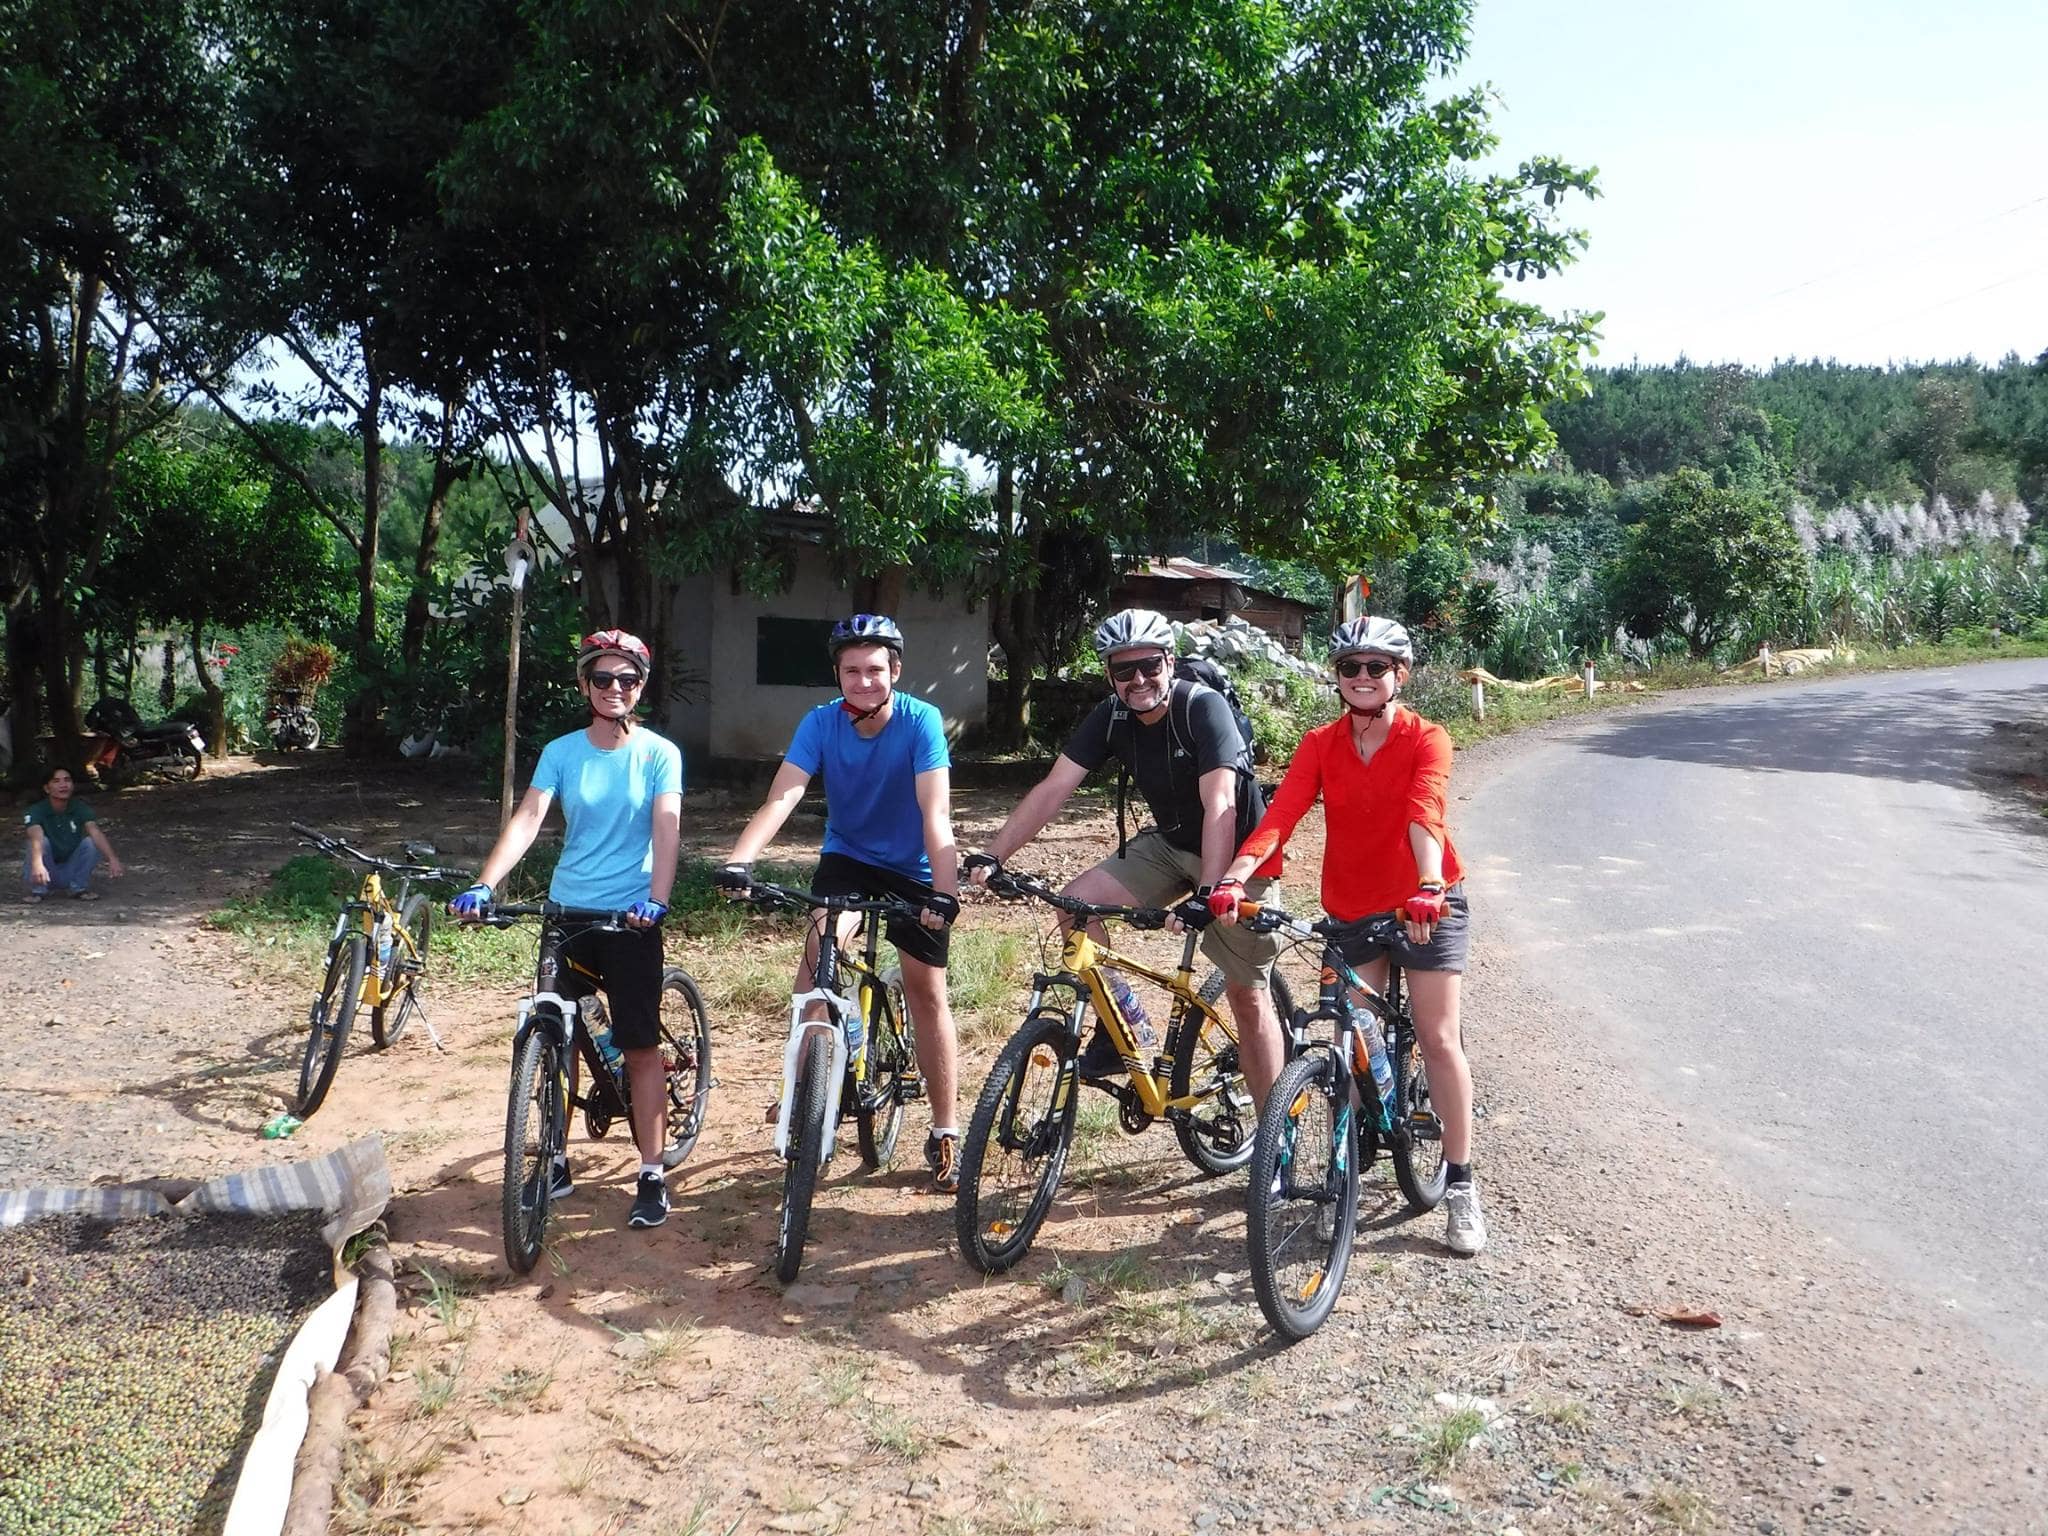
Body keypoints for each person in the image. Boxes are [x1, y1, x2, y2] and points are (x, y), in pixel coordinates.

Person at [1213, 616, 1486, 1256]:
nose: (1362, 677)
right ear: (1337, 678)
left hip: (1427, 902)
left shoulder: (1428, 738)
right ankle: (1346, 1176)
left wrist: (1426, 884)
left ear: (1400, 675)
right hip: (1350, 909)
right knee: (1349, 1035)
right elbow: (1281, 817)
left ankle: (1461, 1188)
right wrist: (1234, 876)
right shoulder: (1320, 743)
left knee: (1440, 1037)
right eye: (1349, 667)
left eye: (1376, 667)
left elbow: (1425, 812)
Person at [965, 608, 1288, 1106]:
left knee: (1247, 996)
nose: (1138, 680)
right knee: (1075, 904)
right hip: (1172, 844)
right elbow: (1054, 789)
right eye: (1123, 670)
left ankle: (1277, 1140)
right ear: (1109, 675)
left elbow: (1219, 804)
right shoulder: (1112, 716)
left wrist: (1209, 892)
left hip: (1238, 855)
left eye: (1150, 666)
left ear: (1169, 662)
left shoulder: (1202, 709)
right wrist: (992, 854)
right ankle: (1124, 1027)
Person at [716, 615, 965, 1191]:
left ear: (895, 671)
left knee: (927, 992)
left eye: (875, 670)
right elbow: (784, 795)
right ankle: (801, 1089)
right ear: (837, 674)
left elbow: (936, 815)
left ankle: (945, 1129)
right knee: (817, 964)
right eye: (851, 671)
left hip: (914, 867)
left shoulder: (920, 721)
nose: (864, 681)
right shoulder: (821, 723)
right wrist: (741, 858)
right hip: (849, 858)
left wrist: (944, 893)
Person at [450, 630, 684, 1231]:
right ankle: (554, 1155)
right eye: (602, 679)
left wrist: (657, 899)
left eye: (626, 680)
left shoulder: (660, 753)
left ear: (640, 687)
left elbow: (666, 828)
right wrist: (486, 884)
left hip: (631, 917)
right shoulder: (561, 751)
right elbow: (530, 818)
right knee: (556, 1026)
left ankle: (652, 1171)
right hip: (567, 912)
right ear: (585, 685)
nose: (614, 689)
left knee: (638, 1046)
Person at [21, 767, 125, 903]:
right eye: (56, 781)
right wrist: (38, 864)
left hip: (69, 868)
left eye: (67, 780)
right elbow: (35, 835)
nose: (63, 785)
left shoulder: (79, 808)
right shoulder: (36, 810)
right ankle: (37, 891)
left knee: (91, 842)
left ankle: (78, 888)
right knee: (39, 842)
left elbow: (95, 831)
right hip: (43, 870)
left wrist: (112, 858)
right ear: (47, 788)